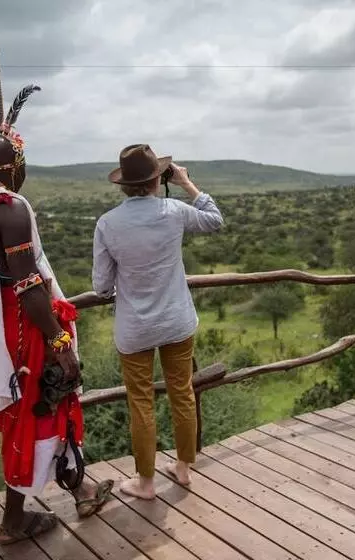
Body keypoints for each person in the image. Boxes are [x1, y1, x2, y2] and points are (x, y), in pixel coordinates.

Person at [0, 13, 112, 545]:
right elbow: (27, 285)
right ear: (14, 164)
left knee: (37, 408)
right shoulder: (11, 208)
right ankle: (14, 520)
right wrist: (59, 340)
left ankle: (80, 491)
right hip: (24, 329)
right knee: (40, 405)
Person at [92, 144, 224, 499]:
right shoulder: (174, 211)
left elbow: (101, 287)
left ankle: (146, 482)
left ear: (123, 184)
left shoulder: (108, 224)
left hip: (135, 328)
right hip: (177, 321)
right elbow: (215, 219)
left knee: (141, 402)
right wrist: (187, 183)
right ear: (157, 180)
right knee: (182, 393)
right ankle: (183, 468)